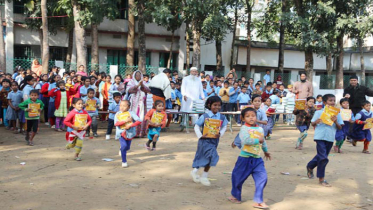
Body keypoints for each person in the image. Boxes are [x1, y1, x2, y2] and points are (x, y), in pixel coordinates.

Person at [228, 107, 271, 208]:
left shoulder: (260, 129)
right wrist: (258, 140)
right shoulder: (244, 129)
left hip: (257, 159)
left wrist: (266, 151)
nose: (251, 118)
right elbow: (246, 140)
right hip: (244, 158)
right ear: (243, 118)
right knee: (237, 178)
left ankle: (258, 201)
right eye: (248, 116)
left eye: (253, 116)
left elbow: (263, 141)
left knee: (262, 178)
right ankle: (235, 195)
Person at [190, 96, 228, 186]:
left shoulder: (222, 117)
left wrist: (220, 134)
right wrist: (200, 135)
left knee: (205, 157)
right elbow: (196, 125)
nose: (217, 107)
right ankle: (204, 176)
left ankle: (194, 171)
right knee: (212, 156)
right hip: (204, 140)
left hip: (214, 141)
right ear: (209, 105)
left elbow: (225, 126)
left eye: (219, 105)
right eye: (215, 105)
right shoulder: (205, 116)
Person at [307, 94, 343, 187]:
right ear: (324, 102)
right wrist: (316, 122)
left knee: (322, 156)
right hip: (319, 137)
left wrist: (335, 121)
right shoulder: (319, 112)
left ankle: (310, 166)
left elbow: (340, 127)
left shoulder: (337, 113)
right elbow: (313, 123)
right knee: (323, 158)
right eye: (330, 100)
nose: (332, 102)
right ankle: (321, 178)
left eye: (334, 100)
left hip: (330, 137)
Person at [114, 100, 142, 168]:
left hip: (130, 133)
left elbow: (139, 121)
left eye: (124, 106)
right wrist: (124, 121)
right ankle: (124, 161)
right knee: (124, 145)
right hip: (121, 133)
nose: (122, 107)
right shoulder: (117, 114)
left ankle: (122, 150)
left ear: (128, 107)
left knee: (127, 147)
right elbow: (116, 123)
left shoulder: (131, 113)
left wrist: (131, 125)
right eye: (120, 105)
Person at [126, 70, 151, 138]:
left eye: (139, 75)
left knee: (142, 117)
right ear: (134, 76)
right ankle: (133, 133)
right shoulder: (131, 82)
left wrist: (142, 85)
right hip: (133, 103)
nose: (138, 76)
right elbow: (129, 90)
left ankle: (141, 133)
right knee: (133, 117)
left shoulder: (144, 82)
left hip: (142, 103)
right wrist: (137, 86)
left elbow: (148, 90)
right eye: (136, 75)